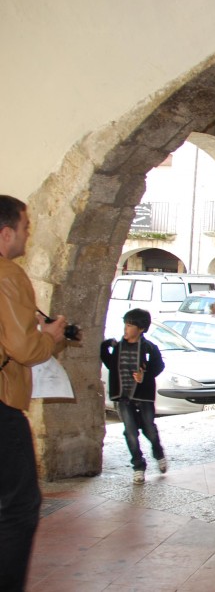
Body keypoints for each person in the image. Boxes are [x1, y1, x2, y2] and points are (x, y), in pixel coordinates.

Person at [0, 195, 69, 592]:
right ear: (6, 232)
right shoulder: (7, 274)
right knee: (21, 506)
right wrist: (50, 338)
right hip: (1, 406)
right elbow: (24, 349)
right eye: (26, 226)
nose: (28, 234)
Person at [101, 308, 167, 484]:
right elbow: (111, 366)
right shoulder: (118, 347)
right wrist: (104, 347)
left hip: (143, 397)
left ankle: (158, 452)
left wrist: (145, 376)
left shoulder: (149, 348)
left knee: (149, 430)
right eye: (125, 324)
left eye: (130, 325)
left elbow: (159, 366)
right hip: (124, 398)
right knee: (130, 432)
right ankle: (138, 466)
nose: (126, 328)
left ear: (141, 329)